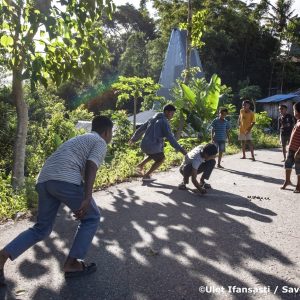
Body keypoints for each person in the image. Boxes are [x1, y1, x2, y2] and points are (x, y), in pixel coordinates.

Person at [0, 116, 113, 284]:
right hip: (63, 179)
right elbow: (91, 165)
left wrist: (80, 197)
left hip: (45, 180)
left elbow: (77, 168)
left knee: (42, 229)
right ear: (106, 132)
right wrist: (87, 197)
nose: (111, 136)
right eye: (112, 133)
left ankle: (2, 256)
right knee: (92, 217)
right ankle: (72, 264)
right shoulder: (100, 141)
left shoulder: (80, 139)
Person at [129, 104, 187, 181]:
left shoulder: (152, 118)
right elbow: (170, 138)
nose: (172, 116)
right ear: (166, 112)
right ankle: (147, 175)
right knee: (161, 159)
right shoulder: (164, 122)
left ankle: (140, 165)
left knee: (154, 154)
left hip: (144, 145)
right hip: (152, 146)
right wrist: (180, 149)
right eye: (172, 114)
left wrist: (133, 139)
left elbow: (141, 128)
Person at [281, 102, 300, 193]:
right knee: (287, 164)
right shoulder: (298, 121)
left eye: (295, 111)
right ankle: (287, 181)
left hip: (298, 150)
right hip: (292, 148)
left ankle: (299, 185)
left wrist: (299, 151)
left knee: (298, 167)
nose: (294, 113)